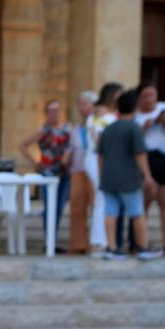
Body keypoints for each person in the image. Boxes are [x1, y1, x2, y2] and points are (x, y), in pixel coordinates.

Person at [97, 89, 162, 260]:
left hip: (109, 177)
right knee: (137, 213)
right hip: (128, 177)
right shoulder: (134, 128)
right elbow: (140, 154)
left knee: (110, 212)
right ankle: (142, 246)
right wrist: (147, 176)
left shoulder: (109, 129)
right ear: (135, 106)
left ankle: (111, 247)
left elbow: (100, 155)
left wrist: (102, 175)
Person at [18, 99, 72, 252]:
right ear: (47, 113)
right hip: (48, 173)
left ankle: (52, 240)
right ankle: (49, 241)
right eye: (52, 111)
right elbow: (23, 145)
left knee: (59, 207)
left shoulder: (68, 128)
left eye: (58, 110)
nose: (55, 114)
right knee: (50, 206)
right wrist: (36, 162)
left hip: (64, 172)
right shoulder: (43, 130)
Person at [135, 81, 165, 253]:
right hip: (145, 162)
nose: (149, 100)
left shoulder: (164, 108)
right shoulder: (135, 115)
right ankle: (142, 242)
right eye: (145, 96)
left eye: (151, 95)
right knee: (143, 203)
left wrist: (163, 123)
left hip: (164, 159)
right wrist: (143, 128)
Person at [67, 91, 99, 254]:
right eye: (80, 104)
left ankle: (97, 242)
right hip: (78, 169)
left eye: (85, 103)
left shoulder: (99, 124)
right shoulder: (76, 128)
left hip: (95, 170)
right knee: (77, 206)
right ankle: (78, 244)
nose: (82, 107)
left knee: (96, 205)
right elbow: (72, 147)